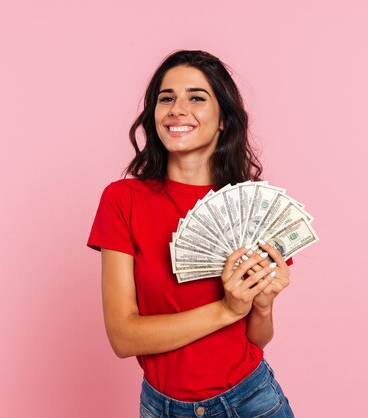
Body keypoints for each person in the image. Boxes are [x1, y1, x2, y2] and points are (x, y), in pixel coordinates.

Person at [87, 50, 296, 418]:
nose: (177, 108)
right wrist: (226, 309)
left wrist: (261, 305)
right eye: (166, 98)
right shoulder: (123, 200)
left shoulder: (251, 208)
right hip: (161, 407)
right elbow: (123, 336)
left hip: (253, 401)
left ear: (222, 121)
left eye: (196, 97)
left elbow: (257, 339)